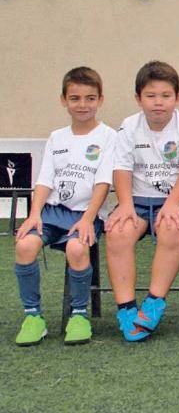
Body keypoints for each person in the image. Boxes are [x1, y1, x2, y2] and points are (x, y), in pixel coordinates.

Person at [12, 68, 115, 346]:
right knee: (24, 246)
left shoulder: (108, 137)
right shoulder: (57, 137)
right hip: (51, 212)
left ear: (100, 100)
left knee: (76, 248)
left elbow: (103, 182)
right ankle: (33, 317)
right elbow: (44, 180)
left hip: (85, 215)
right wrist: (34, 215)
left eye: (90, 98)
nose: (83, 105)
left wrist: (88, 219)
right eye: (75, 98)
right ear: (63, 100)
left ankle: (78, 315)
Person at [105, 61, 179, 342]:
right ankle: (126, 308)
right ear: (138, 99)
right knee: (118, 232)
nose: (158, 103)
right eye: (150, 96)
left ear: (177, 98)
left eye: (165, 96)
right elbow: (121, 168)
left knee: (172, 227)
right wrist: (124, 205)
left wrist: (172, 204)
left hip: (173, 198)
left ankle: (154, 302)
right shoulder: (127, 127)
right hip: (135, 199)